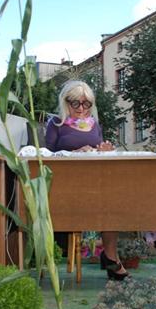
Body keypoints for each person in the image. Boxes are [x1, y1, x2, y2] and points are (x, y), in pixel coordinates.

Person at [44, 80, 123, 279]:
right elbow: (47, 155)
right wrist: (74, 152)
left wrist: (104, 151)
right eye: (76, 103)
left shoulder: (95, 125)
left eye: (86, 104)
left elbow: (99, 155)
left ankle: (111, 256)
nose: (81, 108)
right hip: (65, 186)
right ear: (65, 102)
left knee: (114, 202)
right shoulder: (55, 124)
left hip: (95, 183)